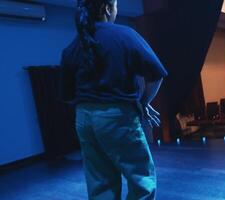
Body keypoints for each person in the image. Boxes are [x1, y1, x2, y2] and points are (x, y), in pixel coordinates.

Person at [59, 0, 168, 199]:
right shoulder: (124, 35)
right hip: (117, 118)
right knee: (141, 180)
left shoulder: (73, 46)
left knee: (100, 183)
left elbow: (68, 96)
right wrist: (142, 102)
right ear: (107, 8)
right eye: (116, 5)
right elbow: (156, 74)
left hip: (83, 120)